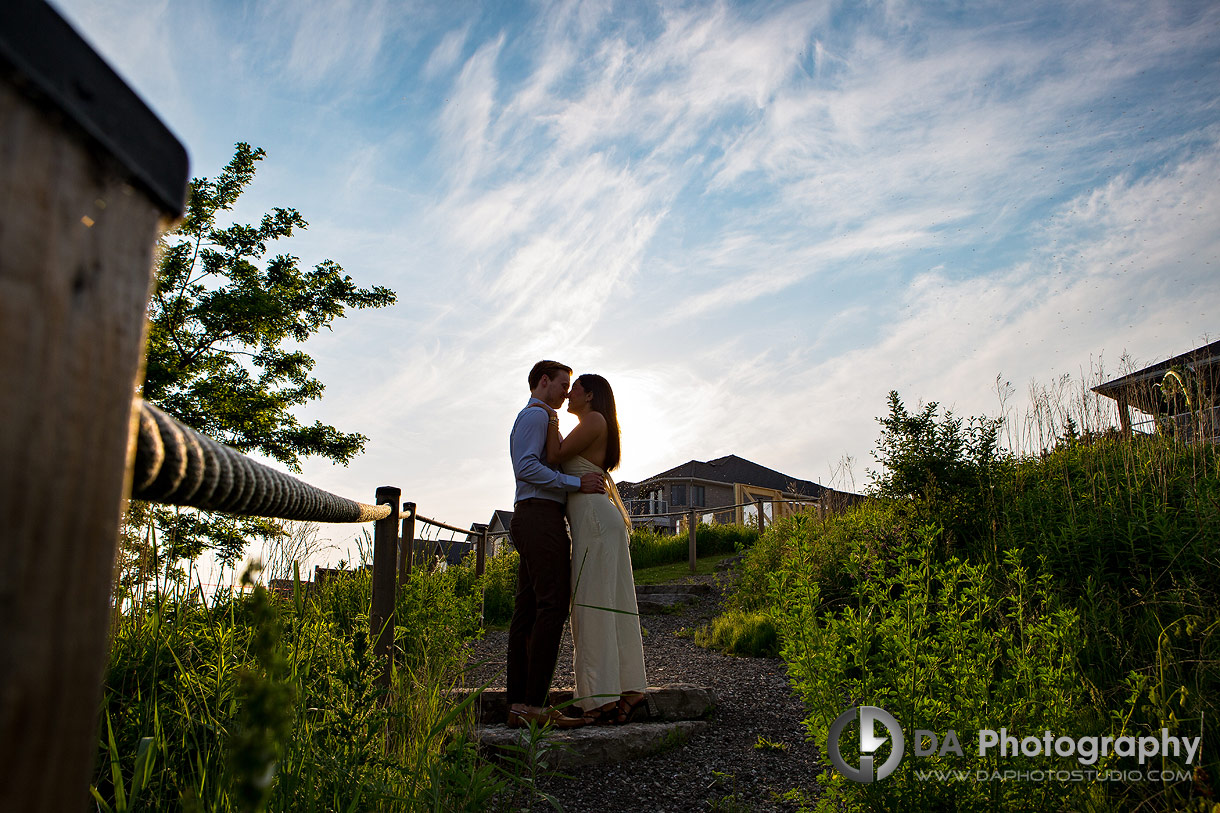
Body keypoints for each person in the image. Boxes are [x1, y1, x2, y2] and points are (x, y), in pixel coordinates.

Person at [538, 373, 649, 725]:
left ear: (589, 395)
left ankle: (600, 699)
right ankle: (625, 691)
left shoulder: (594, 420)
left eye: (574, 389)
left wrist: (550, 416)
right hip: (596, 523)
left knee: (593, 607)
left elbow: (553, 455)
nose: (568, 394)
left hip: (597, 524)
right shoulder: (593, 423)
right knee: (608, 604)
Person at [506, 360, 605, 729]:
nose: (566, 392)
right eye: (564, 384)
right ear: (544, 381)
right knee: (552, 605)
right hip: (539, 517)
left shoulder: (543, 418)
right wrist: (577, 484)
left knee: (529, 610)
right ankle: (534, 704)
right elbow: (527, 468)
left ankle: (520, 704)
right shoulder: (536, 415)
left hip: (535, 516)